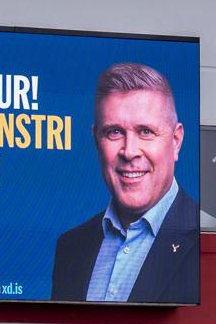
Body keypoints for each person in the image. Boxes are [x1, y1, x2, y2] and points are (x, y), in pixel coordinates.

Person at [50, 62, 200, 304]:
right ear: (96, 141)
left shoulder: (208, 238)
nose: (129, 152)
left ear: (176, 140)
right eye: (114, 132)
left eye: (146, 132)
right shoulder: (70, 247)